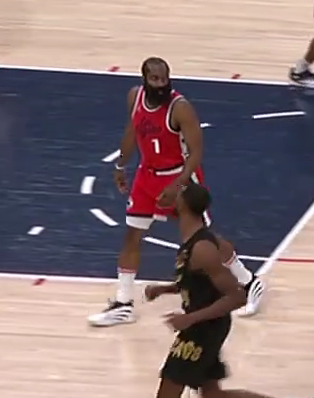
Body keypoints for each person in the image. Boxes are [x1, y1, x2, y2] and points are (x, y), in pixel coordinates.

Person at [144, 184, 314, 398]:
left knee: (166, 396)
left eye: (179, 192)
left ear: (184, 205)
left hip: (203, 328)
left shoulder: (203, 247)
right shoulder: (196, 241)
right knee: (213, 397)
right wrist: (165, 289)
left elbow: (237, 296)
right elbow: (198, 282)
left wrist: (190, 318)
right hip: (206, 325)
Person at [90, 58, 266, 327]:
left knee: (205, 238)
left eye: (164, 78)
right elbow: (132, 132)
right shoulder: (135, 98)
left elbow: (196, 153)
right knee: (132, 235)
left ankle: (249, 282)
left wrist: (178, 185)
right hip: (147, 176)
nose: (161, 84)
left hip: (180, 176)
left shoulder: (180, 107)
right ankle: (124, 304)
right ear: (145, 79)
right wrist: (120, 165)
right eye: (155, 79)